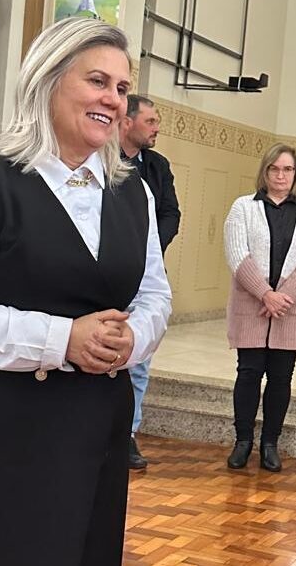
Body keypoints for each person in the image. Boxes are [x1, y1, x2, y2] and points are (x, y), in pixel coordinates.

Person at [0, 17, 173, 566]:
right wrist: (63, 339)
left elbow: (154, 295)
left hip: (95, 428)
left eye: (123, 89)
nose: (114, 99)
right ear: (49, 80)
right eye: (98, 81)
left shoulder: (136, 196)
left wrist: (133, 340)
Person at [224, 144, 296, 473]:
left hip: (290, 308)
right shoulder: (243, 207)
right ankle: (242, 442)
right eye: (275, 169)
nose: (281, 175)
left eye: (288, 170)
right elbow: (237, 254)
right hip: (252, 303)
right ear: (265, 172)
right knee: (248, 374)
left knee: (281, 378)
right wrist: (266, 294)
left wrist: (283, 297)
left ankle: (270, 443)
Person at [119, 93, 181, 470]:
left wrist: (147, 247)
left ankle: (127, 433)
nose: (157, 127)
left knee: (139, 360)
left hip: (147, 271)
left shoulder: (157, 166)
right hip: (108, 272)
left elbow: (171, 213)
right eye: (151, 121)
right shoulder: (104, 161)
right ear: (127, 123)